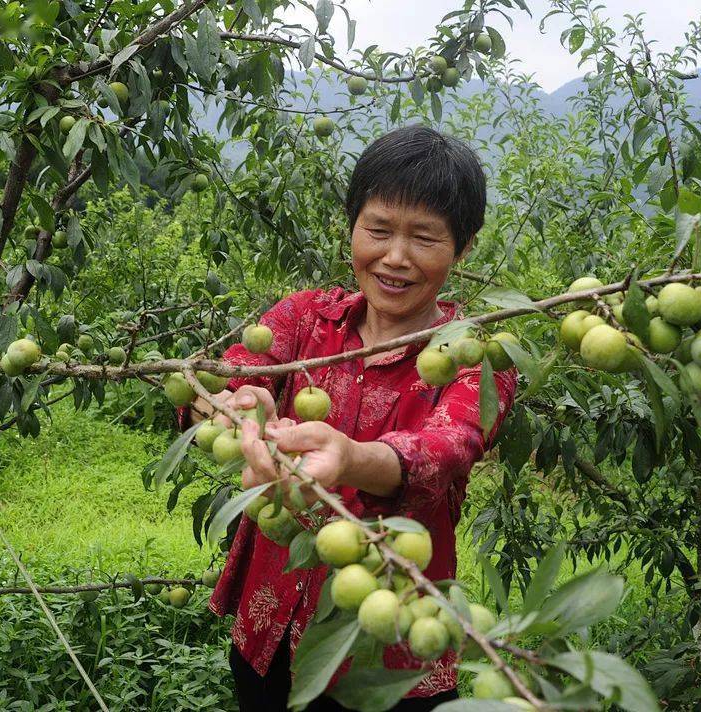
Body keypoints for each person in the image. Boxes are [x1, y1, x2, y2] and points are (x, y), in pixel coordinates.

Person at [189, 125, 518, 711]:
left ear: (462, 249)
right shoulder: (305, 317)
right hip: (269, 620)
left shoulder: (477, 359)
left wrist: (353, 457)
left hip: (387, 649)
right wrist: (238, 403)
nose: (395, 257)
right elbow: (238, 367)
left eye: (424, 238)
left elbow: (446, 449)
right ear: (351, 228)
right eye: (378, 229)